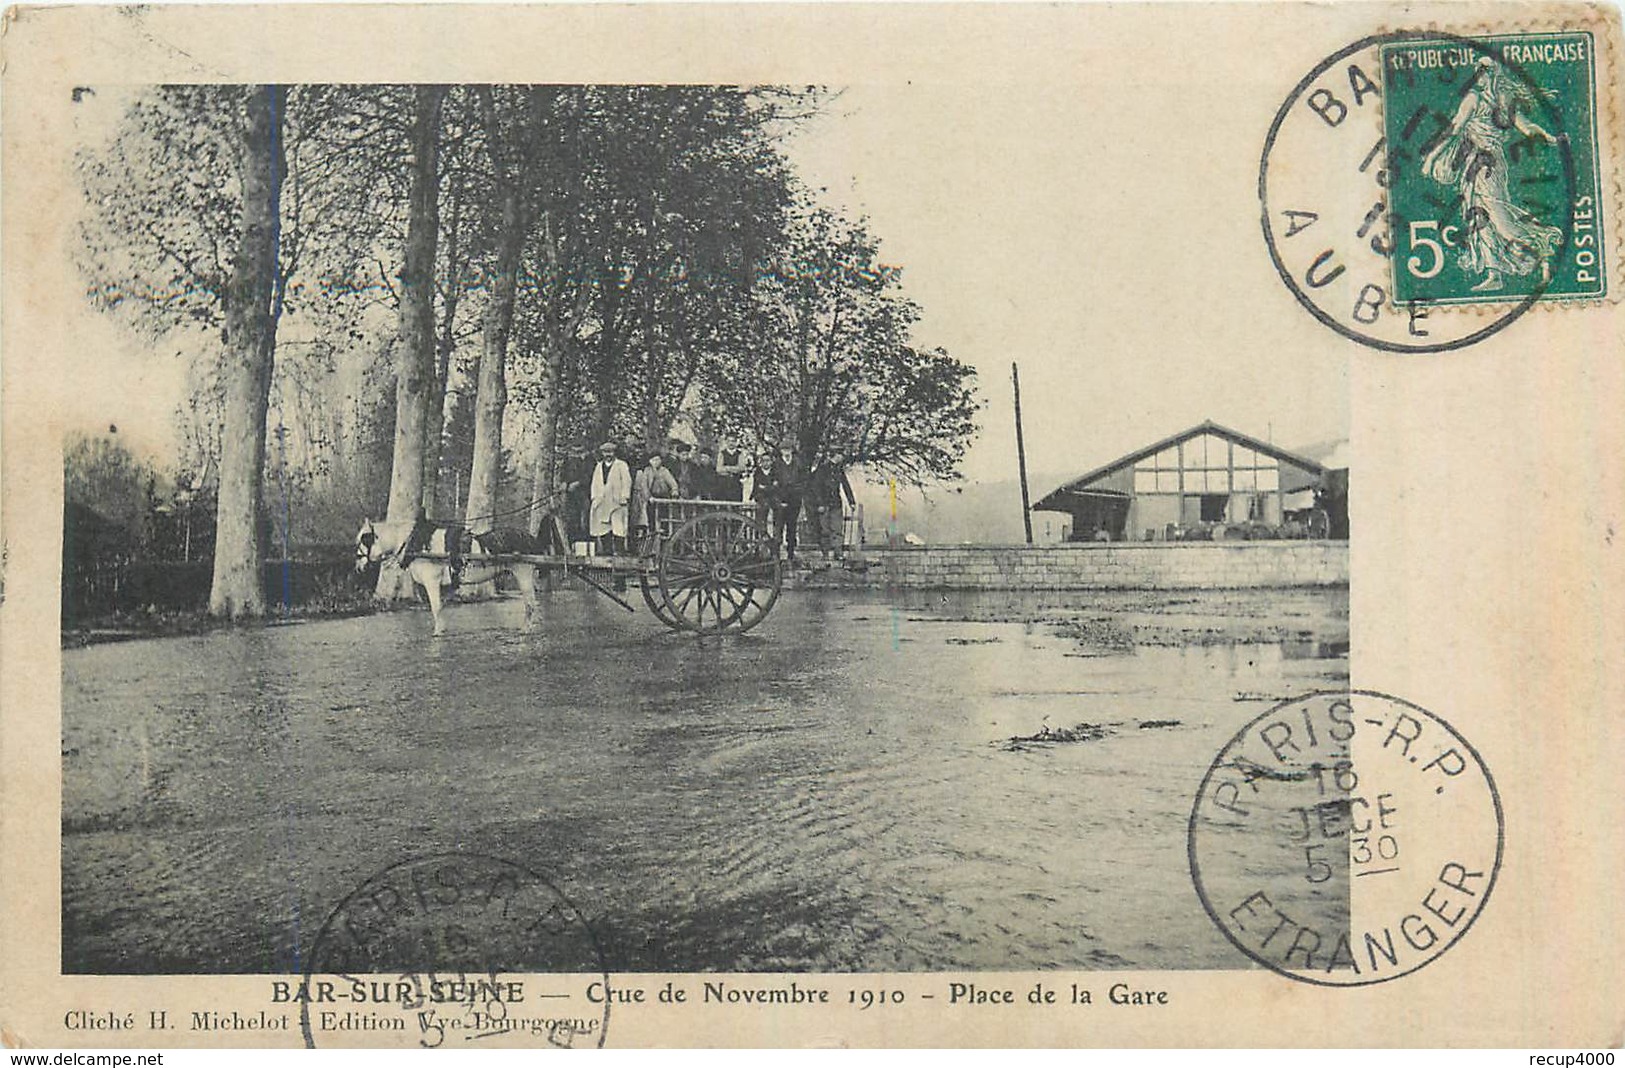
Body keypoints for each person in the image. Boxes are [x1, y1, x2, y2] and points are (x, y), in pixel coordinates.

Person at [1421, 55, 1562, 292]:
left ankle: (1543, 252)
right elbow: (1527, 128)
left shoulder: (1479, 99)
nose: (1481, 75)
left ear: (1491, 74)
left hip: (1487, 165)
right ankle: (1493, 273)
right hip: (1474, 164)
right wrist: (1548, 137)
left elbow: (1455, 129)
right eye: (1479, 71)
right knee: (1478, 217)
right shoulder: (1497, 100)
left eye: (1484, 71)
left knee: (1499, 218)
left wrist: (1432, 158)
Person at [809, 450, 856, 561]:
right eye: (841, 455)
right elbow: (816, 488)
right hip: (824, 504)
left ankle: (838, 553)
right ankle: (825, 554)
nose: (842, 457)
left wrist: (852, 502)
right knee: (825, 530)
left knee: (837, 529)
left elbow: (846, 486)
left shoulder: (839, 470)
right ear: (836, 455)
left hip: (836, 503)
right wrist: (820, 503)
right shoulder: (822, 469)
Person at [588, 439, 632, 556]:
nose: (608, 455)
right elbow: (595, 483)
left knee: (618, 526)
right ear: (602, 453)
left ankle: (619, 551)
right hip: (602, 501)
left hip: (617, 501)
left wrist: (625, 496)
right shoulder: (598, 466)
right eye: (605, 452)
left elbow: (627, 481)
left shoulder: (621, 465)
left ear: (614, 453)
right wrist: (595, 498)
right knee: (603, 527)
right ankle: (607, 551)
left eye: (610, 452)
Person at [631, 450, 679, 545]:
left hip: (663, 499)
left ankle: (663, 544)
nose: (656, 462)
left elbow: (673, 483)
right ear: (650, 461)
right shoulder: (647, 471)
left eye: (658, 460)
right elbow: (644, 486)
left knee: (664, 522)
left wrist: (674, 491)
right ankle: (652, 544)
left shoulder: (664, 471)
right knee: (652, 521)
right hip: (652, 499)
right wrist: (649, 497)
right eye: (654, 460)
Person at [768, 437, 804, 562]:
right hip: (779, 499)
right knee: (778, 526)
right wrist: (777, 497)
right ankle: (776, 555)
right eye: (784, 449)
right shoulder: (776, 464)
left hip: (794, 499)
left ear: (792, 450)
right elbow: (772, 482)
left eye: (788, 449)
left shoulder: (798, 463)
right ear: (780, 451)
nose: (786, 452)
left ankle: (790, 554)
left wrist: (797, 491)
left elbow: (803, 481)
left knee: (792, 527)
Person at [714, 438, 747, 502]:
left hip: (736, 483)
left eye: (733, 441)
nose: (731, 443)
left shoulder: (740, 454)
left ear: (736, 442)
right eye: (729, 441)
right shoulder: (722, 453)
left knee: (736, 505)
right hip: (723, 484)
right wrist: (734, 469)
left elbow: (742, 468)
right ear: (726, 442)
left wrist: (726, 468)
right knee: (723, 506)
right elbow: (719, 469)